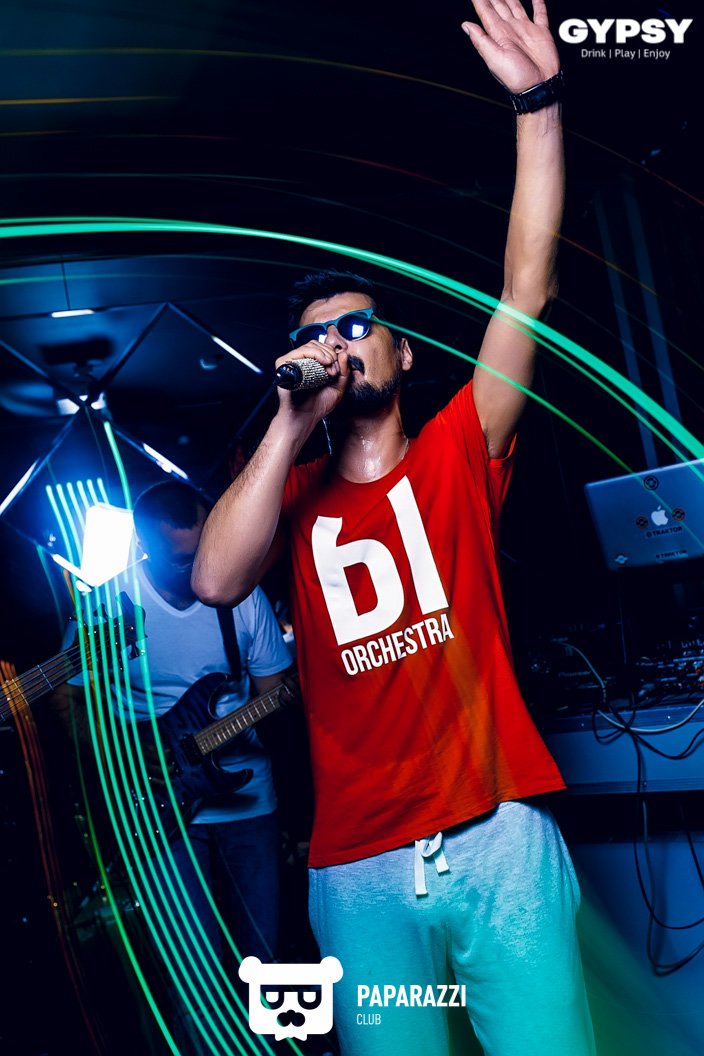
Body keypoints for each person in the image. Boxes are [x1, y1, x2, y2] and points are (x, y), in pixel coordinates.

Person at [192, 2, 595, 1054]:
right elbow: (215, 581)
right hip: (357, 866)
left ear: (403, 354)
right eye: (317, 337)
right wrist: (292, 416)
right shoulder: (285, 486)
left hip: (497, 834)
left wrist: (538, 103)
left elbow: (527, 288)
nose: (339, 344)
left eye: (359, 327)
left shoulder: (462, 444)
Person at [72, 480, 293, 1053]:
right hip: (155, 807)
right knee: (192, 967)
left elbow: (276, 694)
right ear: (143, 546)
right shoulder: (110, 606)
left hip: (248, 802)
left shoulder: (242, 597)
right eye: (181, 559)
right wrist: (134, 756)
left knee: (264, 963)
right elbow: (73, 707)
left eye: (204, 547)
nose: (199, 566)